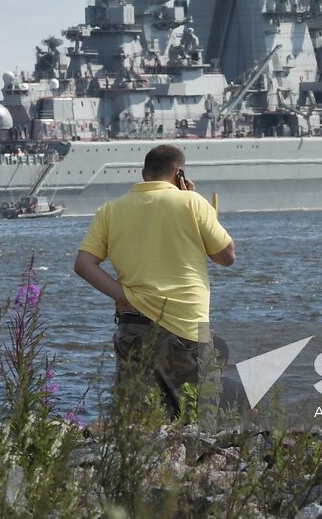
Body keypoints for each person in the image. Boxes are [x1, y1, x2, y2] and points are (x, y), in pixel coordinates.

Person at [74, 144, 235, 417]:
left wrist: (123, 296)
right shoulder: (193, 203)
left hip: (133, 326)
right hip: (185, 329)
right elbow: (226, 256)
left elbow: (83, 264)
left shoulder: (110, 211)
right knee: (194, 413)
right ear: (179, 172)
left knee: (137, 419)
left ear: (143, 174)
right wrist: (196, 203)